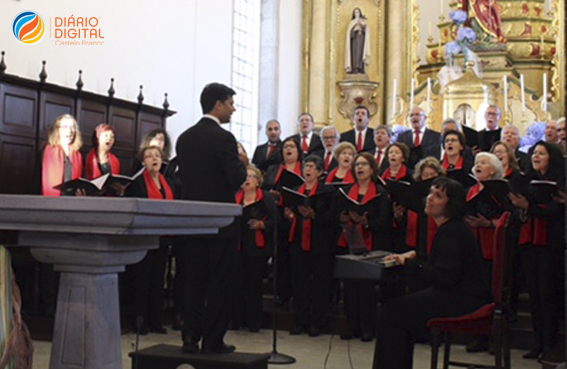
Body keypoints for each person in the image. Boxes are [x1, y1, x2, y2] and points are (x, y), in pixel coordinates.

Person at [373, 177, 490, 369]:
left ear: (451, 204)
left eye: (438, 196)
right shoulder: (452, 227)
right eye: (430, 193)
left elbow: (444, 277)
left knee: (391, 312)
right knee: (400, 311)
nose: (430, 198)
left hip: (462, 298)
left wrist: (410, 263)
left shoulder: (451, 231)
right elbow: (441, 262)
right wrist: (415, 255)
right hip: (462, 293)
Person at [176, 83, 247, 354]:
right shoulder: (224, 139)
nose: (233, 108)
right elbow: (235, 178)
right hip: (220, 223)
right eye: (230, 103)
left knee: (193, 281)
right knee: (219, 282)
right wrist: (241, 162)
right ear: (218, 104)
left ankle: (189, 337)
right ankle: (213, 340)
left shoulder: (185, 138)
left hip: (192, 222)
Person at [509, 141, 565, 360]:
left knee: (547, 294)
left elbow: (555, 212)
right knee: (534, 294)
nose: (536, 156)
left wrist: (528, 208)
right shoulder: (525, 181)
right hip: (529, 242)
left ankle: (549, 344)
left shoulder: (561, 180)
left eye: (542, 153)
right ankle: (538, 342)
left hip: (551, 243)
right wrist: (522, 209)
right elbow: (519, 213)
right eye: (534, 153)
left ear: (552, 157)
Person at [338, 152, 391, 341]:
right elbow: (340, 214)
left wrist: (365, 223)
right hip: (350, 242)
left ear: (372, 169)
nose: (359, 168)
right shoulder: (346, 191)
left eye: (364, 164)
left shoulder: (380, 193)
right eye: (357, 165)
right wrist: (343, 219)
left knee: (367, 289)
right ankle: (352, 326)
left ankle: (368, 328)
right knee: (350, 288)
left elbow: (385, 222)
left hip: (371, 245)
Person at [126, 145, 175, 335]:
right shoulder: (138, 183)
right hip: (144, 237)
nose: (154, 159)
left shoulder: (167, 182)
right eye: (150, 156)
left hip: (162, 237)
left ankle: (155, 320)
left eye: (157, 156)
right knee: (143, 279)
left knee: (157, 280)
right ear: (143, 162)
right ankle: (140, 321)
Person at [285, 155, 335, 337]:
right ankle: (300, 322)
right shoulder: (296, 190)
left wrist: (314, 216)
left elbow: (332, 219)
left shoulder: (326, 192)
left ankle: (316, 323)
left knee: (320, 284)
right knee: (300, 283)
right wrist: (290, 213)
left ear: (320, 172)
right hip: (298, 242)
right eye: (306, 166)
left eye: (312, 167)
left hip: (320, 243)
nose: (308, 170)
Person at [230, 165, 277, 332]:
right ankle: (236, 320)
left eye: (251, 176)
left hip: (257, 247)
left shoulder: (265, 198)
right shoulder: (235, 197)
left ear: (258, 181)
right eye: (245, 176)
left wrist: (262, 224)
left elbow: (275, 221)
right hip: (237, 246)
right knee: (236, 284)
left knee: (254, 285)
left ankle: (253, 322)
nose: (247, 179)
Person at [262, 137, 304, 308]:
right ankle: (282, 294)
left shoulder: (305, 168)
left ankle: (297, 294)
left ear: (298, 151)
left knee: (297, 258)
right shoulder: (273, 169)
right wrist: (271, 194)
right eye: (286, 146)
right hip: (278, 215)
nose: (289, 149)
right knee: (280, 257)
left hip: (297, 216)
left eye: (292, 147)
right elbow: (264, 188)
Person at [41, 114, 83, 197]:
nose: (70, 130)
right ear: (57, 130)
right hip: (52, 201)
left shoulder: (78, 155)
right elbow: (37, 181)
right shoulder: (46, 152)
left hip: (72, 200)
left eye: (72, 127)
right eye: (65, 127)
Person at [345, 7, 370, 74]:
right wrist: (354, 30)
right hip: (354, 42)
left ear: (360, 13)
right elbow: (349, 34)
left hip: (361, 40)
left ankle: (361, 67)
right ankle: (354, 68)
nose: (357, 13)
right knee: (355, 54)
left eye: (358, 12)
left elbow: (366, 32)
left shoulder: (362, 21)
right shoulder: (352, 22)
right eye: (355, 12)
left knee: (361, 53)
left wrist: (363, 26)